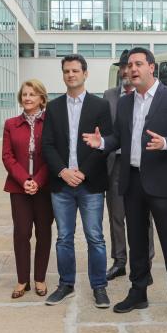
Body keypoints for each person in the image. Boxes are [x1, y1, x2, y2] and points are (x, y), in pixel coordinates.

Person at [83, 47, 167, 323]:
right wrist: (103, 143)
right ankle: (139, 291)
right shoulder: (125, 102)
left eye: (138, 64)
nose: (132, 69)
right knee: (137, 242)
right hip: (132, 181)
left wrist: (166, 143)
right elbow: (118, 139)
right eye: (129, 65)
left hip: (162, 183)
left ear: (152, 67)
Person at [41, 54, 112, 308]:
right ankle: (66, 284)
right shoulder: (54, 106)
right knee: (64, 237)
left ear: (85, 74)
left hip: (90, 183)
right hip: (61, 184)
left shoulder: (100, 106)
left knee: (95, 237)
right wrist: (63, 171)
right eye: (66, 71)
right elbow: (46, 144)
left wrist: (82, 171)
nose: (71, 75)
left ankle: (99, 286)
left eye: (75, 70)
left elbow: (104, 143)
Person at [102, 50, 153, 280]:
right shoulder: (109, 95)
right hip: (116, 163)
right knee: (116, 215)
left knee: (145, 217)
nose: (126, 70)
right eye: (123, 66)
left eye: (131, 65)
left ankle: (146, 261)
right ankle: (119, 260)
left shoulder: (149, 96)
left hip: (143, 165)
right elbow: (105, 130)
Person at [2, 79, 53, 298]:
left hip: (45, 187)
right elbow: (7, 156)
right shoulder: (11, 123)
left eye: (32, 94)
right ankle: (23, 279)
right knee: (22, 233)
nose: (28, 98)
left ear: (42, 98)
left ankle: (40, 278)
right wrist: (25, 180)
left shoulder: (52, 122)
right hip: (18, 187)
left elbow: (53, 154)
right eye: (24, 94)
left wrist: (38, 181)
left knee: (44, 232)